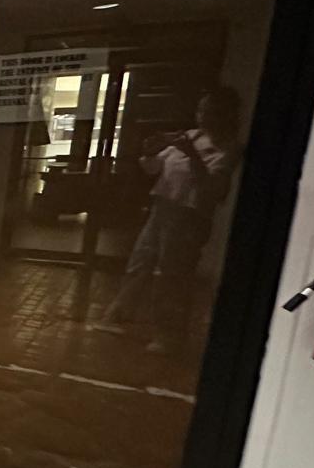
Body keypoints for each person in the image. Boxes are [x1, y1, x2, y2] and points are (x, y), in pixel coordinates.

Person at [95, 87, 243, 353]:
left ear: (224, 115)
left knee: (171, 275)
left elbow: (213, 190)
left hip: (189, 216)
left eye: (208, 111)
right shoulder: (190, 135)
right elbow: (153, 168)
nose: (202, 116)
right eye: (200, 110)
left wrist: (192, 154)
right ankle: (117, 315)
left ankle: (169, 335)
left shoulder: (228, 148)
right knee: (140, 262)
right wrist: (150, 151)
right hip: (161, 207)